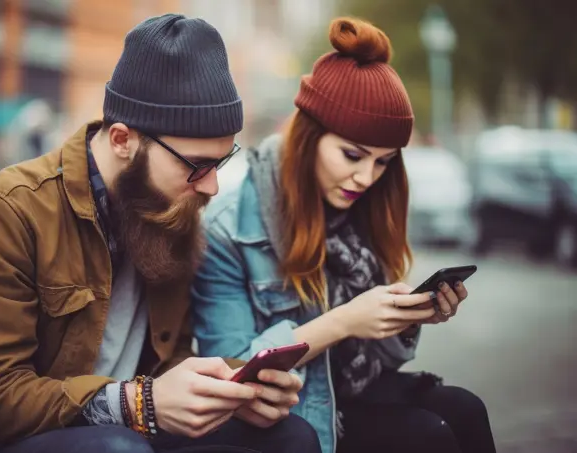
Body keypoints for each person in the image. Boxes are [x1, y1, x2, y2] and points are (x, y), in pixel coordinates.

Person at [0, 14, 321, 453]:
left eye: (220, 163)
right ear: (122, 139)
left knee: (291, 437)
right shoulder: (7, 212)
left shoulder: (173, 207)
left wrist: (234, 390)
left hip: (128, 429)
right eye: (195, 166)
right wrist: (139, 403)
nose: (211, 186)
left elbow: (167, 359)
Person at [191, 17, 496, 453]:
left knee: (465, 408)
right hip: (292, 412)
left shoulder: (363, 208)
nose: (366, 177)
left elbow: (383, 360)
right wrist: (343, 321)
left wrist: (406, 321)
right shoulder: (227, 228)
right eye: (352, 155)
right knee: (432, 436)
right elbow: (234, 371)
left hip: (351, 391)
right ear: (308, 138)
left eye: (383, 161)